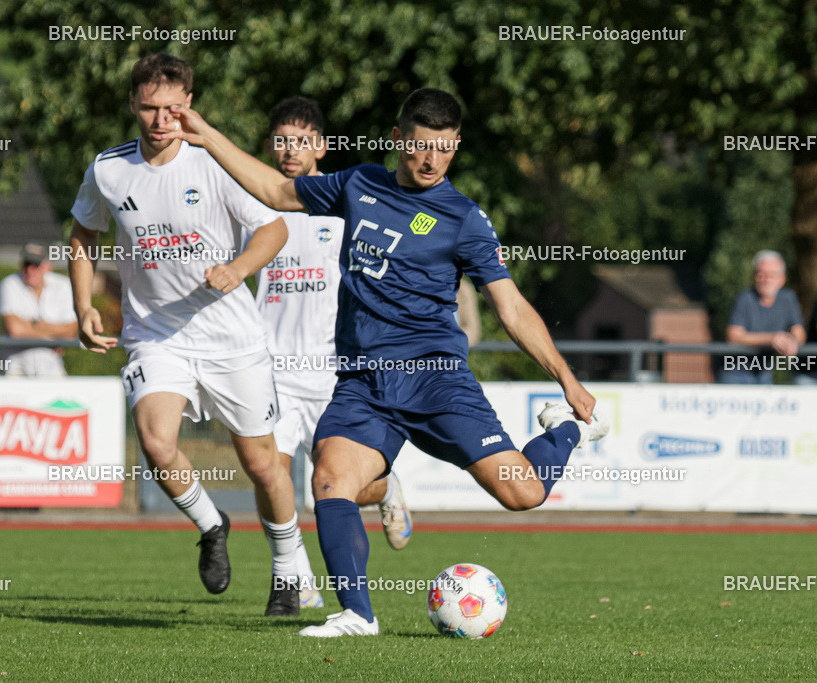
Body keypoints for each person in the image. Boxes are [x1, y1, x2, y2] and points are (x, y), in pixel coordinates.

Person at [166, 87, 608, 637]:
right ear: (398, 139)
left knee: (523, 493)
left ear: (456, 146)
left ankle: (564, 433)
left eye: (445, 149)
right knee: (329, 481)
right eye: (422, 147)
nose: (432, 160)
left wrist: (566, 381)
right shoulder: (359, 184)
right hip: (362, 384)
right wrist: (207, 136)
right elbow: (277, 190)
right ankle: (357, 614)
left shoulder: (465, 218)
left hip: (436, 381)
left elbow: (511, 307)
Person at [67, 53, 305, 616]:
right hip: (157, 336)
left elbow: (274, 227)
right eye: (148, 108)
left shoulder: (214, 164)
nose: (159, 119)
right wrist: (83, 306)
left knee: (262, 465)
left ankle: (288, 570)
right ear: (132, 105)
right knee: (155, 442)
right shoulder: (109, 169)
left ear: (189, 105)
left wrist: (238, 269)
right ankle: (211, 523)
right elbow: (83, 234)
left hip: (231, 340)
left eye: (172, 108)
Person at [249, 97, 414, 608]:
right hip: (271, 372)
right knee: (266, 475)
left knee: (335, 488)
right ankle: (298, 582)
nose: (289, 151)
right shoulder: (256, 203)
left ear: (321, 146)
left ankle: (385, 491)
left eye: (300, 141)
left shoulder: (345, 205)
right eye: (280, 140)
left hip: (331, 376)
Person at [722, 250, 805, 384]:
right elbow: (733, 336)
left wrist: (791, 341)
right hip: (736, 372)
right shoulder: (745, 298)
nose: (766, 279)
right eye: (762, 274)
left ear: (782, 279)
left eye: (772, 275)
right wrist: (772, 338)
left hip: (764, 373)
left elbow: (799, 331)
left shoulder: (788, 299)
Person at [0, 243, 78, 377]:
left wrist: (32, 325)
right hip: (16, 368)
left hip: (51, 368)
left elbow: (70, 332)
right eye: (26, 264)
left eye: (36, 264)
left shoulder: (63, 285)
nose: (30, 269)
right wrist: (53, 339)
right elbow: (15, 330)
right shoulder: (9, 284)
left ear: (47, 266)